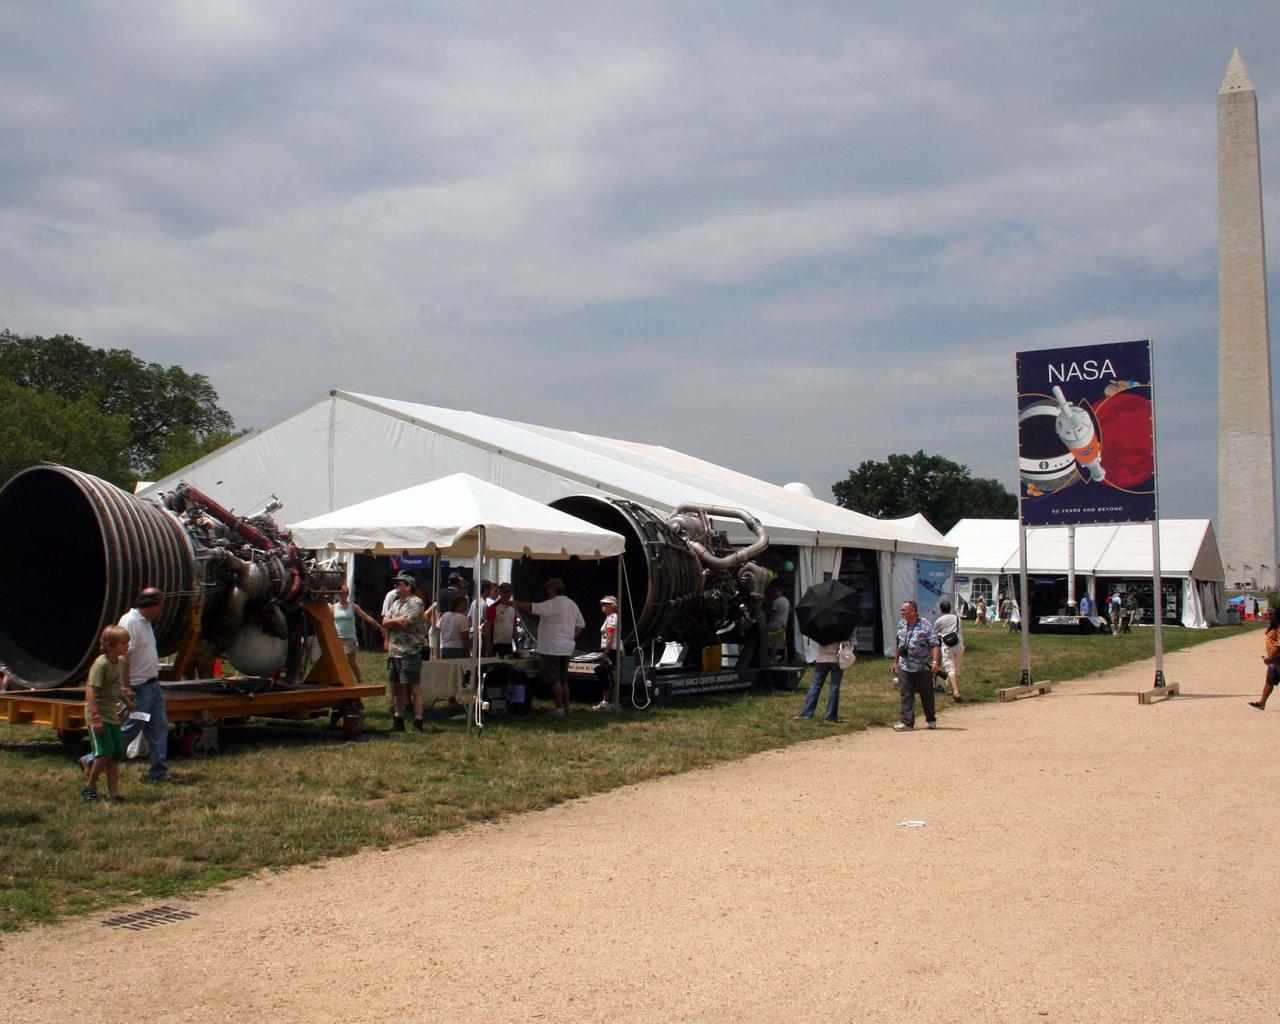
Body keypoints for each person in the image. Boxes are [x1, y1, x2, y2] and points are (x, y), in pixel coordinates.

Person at [119, 588, 169, 782]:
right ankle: (94, 759)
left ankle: (158, 771)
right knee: (132, 727)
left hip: (152, 687)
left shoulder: (145, 623)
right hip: (138, 689)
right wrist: (126, 687)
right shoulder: (131, 622)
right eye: (160, 606)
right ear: (151, 605)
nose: (161, 611)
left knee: (158, 727)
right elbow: (124, 656)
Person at [80, 626, 134, 803]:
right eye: (123, 643)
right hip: (99, 715)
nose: (127, 646)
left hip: (111, 714)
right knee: (104, 753)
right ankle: (90, 787)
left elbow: (115, 687)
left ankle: (114, 793)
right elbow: (90, 691)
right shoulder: (101, 664)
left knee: (116, 754)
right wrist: (95, 718)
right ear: (110, 645)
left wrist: (128, 702)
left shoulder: (118, 663)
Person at [514, 577, 584, 716]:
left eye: (548, 588)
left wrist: (513, 602)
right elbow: (581, 625)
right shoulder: (572, 604)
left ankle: (559, 708)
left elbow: (531, 607)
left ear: (553, 590)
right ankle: (567, 707)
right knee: (564, 679)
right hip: (566, 647)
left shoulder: (551, 604)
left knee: (554, 680)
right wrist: (570, 637)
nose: (546, 591)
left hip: (552, 648)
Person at [382, 571, 427, 732]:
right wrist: (395, 621)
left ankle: (418, 721)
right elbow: (385, 621)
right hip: (394, 651)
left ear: (408, 586)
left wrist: (393, 622)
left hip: (410, 651)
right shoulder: (396, 604)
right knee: (397, 686)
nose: (395, 587)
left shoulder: (416, 603)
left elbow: (406, 622)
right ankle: (398, 718)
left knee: (413, 687)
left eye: (398, 584)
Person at [892, 600, 941, 731]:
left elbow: (935, 645)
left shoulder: (925, 625)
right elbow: (899, 643)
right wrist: (896, 662)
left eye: (904, 610)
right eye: (902, 610)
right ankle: (906, 722)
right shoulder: (902, 624)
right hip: (905, 665)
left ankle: (931, 719)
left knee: (926, 694)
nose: (902, 612)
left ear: (913, 611)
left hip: (922, 666)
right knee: (906, 693)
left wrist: (935, 662)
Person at [332, 584, 383, 684]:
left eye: (345, 593)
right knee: (341, 661)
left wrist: (379, 627)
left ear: (348, 594)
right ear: (338, 594)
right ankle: (344, 682)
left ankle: (359, 681)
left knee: (351, 663)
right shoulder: (333, 607)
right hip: (338, 638)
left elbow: (366, 617)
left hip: (350, 638)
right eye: (341, 593)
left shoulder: (353, 606)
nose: (343, 595)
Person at [796, 638, 845, 722]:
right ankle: (830, 716)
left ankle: (806, 713)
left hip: (821, 658)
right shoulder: (841, 629)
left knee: (815, 685)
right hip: (836, 658)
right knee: (834, 687)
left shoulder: (820, 629)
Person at [932, 599, 964, 702]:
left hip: (947, 646)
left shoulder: (940, 620)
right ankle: (953, 689)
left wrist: (941, 635)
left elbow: (933, 634)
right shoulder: (957, 618)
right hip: (959, 644)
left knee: (950, 669)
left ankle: (956, 692)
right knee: (956, 667)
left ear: (941, 609)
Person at [1249, 605, 1280, 710]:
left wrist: (1270, 657)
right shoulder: (1272, 626)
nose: (1269, 616)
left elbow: (1279, 644)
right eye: (1268, 614)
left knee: (1270, 681)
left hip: (1277, 659)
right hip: (1274, 661)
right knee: (1269, 682)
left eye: (1272, 614)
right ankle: (1262, 703)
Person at [592, 596, 620, 712]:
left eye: (605, 604)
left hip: (611, 650)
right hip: (609, 650)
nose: (603, 606)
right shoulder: (609, 617)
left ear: (611, 606)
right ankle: (606, 701)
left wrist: (606, 653)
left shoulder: (612, 618)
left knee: (610, 676)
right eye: (602, 604)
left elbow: (610, 637)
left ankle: (613, 703)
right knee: (605, 674)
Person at [485, 583, 520, 657]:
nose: (507, 594)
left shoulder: (513, 609)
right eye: (505, 592)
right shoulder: (493, 608)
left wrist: (517, 645)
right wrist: (489, 646)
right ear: (500, 592)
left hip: (508, 644)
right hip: (495, 644)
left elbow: (514, 628)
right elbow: (487, 628)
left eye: (509, 592)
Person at [437, 594, 471, 659]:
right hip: (457, 649)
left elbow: (439, 629)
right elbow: (465, 637)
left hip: (444, 647)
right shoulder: (462, 618)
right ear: (460, 604)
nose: (466, 607)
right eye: (465, 604)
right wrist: (467, 651)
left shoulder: (445, 615)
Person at [767, 585, 790, 663]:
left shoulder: (777, 601)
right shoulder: (786, 601)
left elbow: (773, 613)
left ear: (781, 591)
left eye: (776, 591)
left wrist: (767, 622)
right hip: (783, 625)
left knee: (772, 643)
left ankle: (771, 659)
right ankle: (778, 658)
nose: (774, 593)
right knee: (779, 643)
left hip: (775, 625)